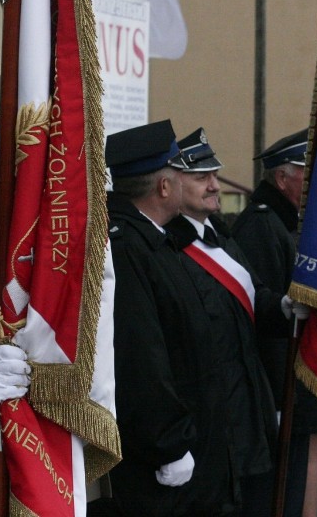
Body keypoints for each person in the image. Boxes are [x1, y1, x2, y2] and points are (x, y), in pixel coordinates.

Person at [101, 120, 238, 515]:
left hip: (193, 440)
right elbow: (141, 356)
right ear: (164, 187)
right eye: (180, 175)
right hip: (158, 460)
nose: (186, 184)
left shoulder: (154, 239)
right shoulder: (127, 247)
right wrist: (170, 444)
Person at [164, 128, 282, 514]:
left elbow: (253, 297)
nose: (215, 185)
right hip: (207, 416)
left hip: (246, 401)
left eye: (215, 175)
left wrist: (284, 307)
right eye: (202, 177)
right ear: (169, 184)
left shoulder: (220, 236)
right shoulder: (168, 249)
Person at [231, 129, 317, 517]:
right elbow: (263, 314)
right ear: (282, 178)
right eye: (306, 174)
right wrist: (276, 396)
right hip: (282, 381)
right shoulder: (262, 225)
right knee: (287, 481)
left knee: (312, 459)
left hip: (302, 375)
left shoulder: (288, 223)